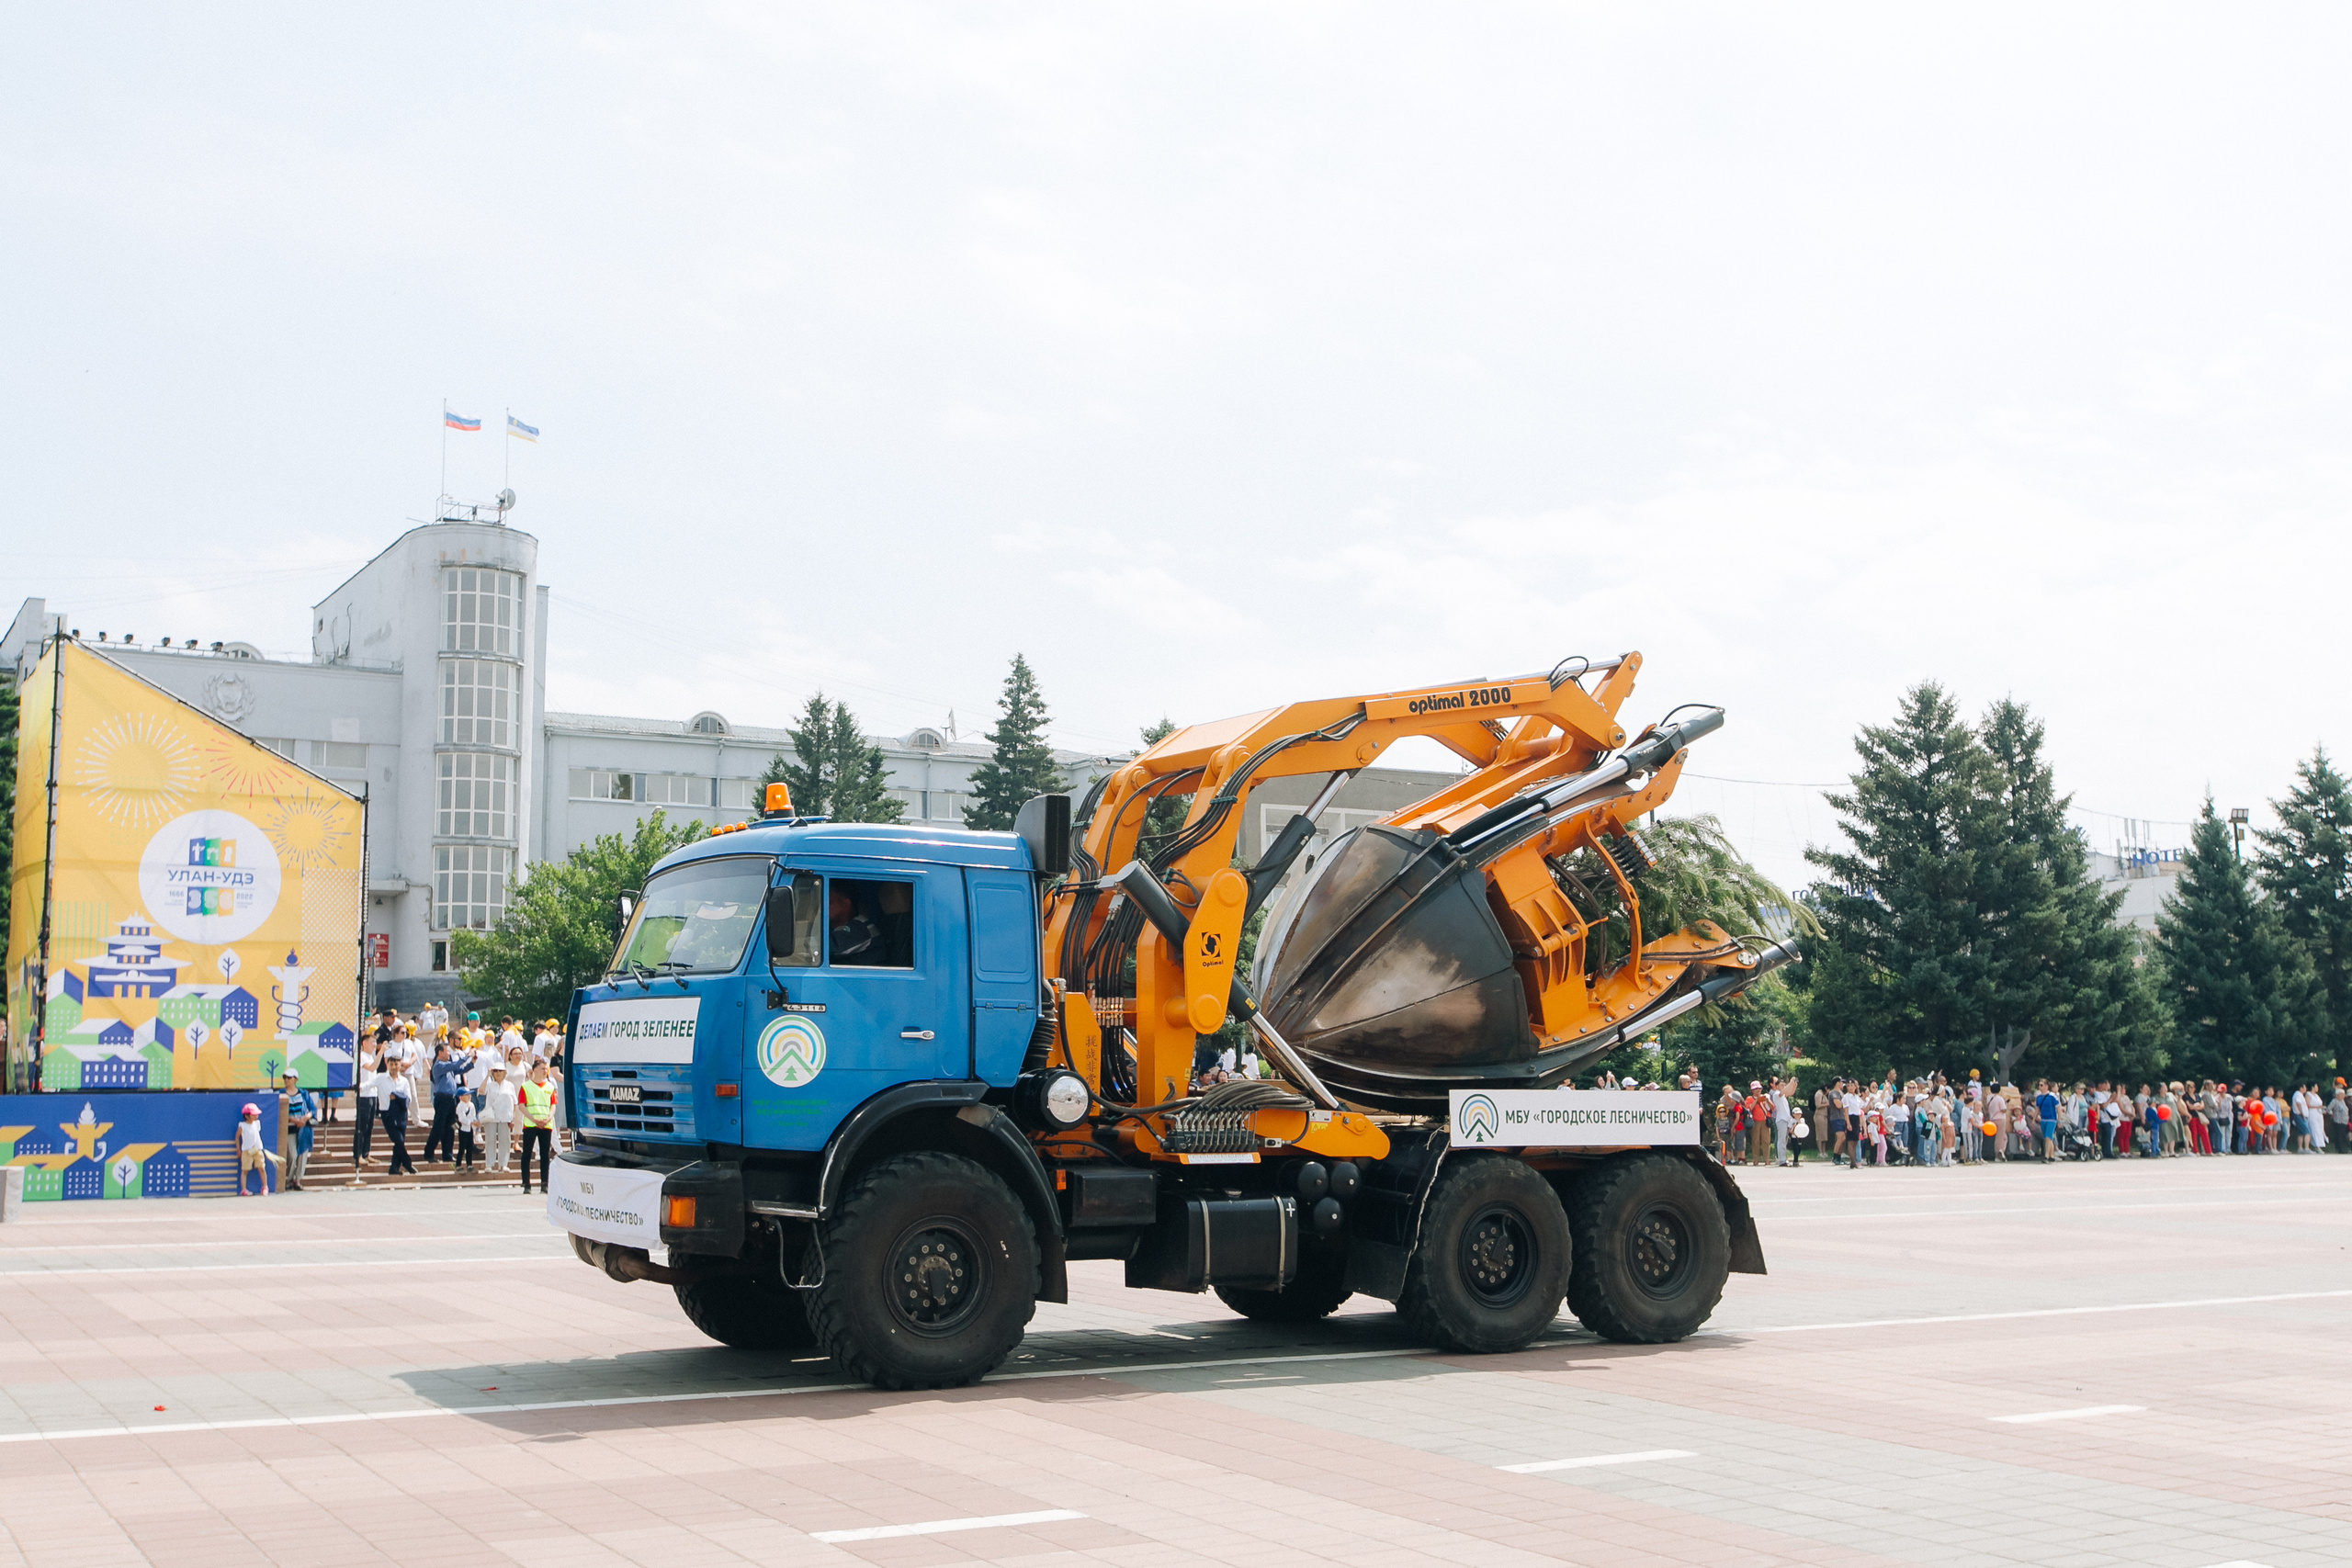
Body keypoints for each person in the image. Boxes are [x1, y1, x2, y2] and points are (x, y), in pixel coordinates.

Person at [517, 1061, 557, 1193]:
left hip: (546, 1124)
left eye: (546, 1069)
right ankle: (526, 1183)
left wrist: (548, 1118)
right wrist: (533, 1118)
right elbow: (522, 1105)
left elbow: (553, 1105)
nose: (544, 1071)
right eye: (541, 1069)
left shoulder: (550, 1087)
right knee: (527, 1154)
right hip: (531, 1123)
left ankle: (544, 1183)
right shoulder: (526, 1086)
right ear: (534, 1070)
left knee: (545, 1155)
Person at [424, 1043, 462, 1164]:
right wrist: (466, 1057)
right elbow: (455, 1065)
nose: (449, 1054)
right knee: (438, 1127)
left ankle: (448, 1154)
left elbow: (460, 1069)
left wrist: (471, 1063)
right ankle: (429, 1153)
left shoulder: (447, 1066)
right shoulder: (439, 1065)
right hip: (442, 1099)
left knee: (450, 1127)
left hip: (451, 1098)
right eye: (447, 1051)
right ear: (440, 1053)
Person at [280, 1069, 317, 1190]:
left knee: (303, 1154)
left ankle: (298, 1179)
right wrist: (293, 1120)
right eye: (285, 1077)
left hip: (303, 1128)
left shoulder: (303, 1093)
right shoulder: (281, 1093)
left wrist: (305, 1118)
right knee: (292, 1154)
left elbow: (312, 1109)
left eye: (289, 1078)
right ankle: (289, 1179)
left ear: (295, 1079)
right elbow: (280, 1111)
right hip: (290, 1128)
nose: (286, 1080)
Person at [380, 1057, 416, 1177]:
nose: (394, 1067)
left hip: (401, 1113)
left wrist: (397, 1097)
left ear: (400, 1065)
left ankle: (394, 1167)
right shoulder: (382, 1078)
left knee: (400, 1142)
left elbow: (408, 1097)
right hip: (388, 1113)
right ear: (387, 1065)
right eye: (391, 1064)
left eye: (396, 1064)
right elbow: (369, 1084)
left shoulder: (404, 1081)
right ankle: (407, 1163)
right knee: (398, 1140)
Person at [829, 886, 881, 964]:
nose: (822, 907)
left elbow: (822, 948)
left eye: (829, 902)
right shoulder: (831, 928)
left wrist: (813, 918)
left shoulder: (861, 929)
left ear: (845, 904)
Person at [481, 1062, 517, 1173]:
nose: (497, 1073)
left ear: (504, 1072)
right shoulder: (490, 1085)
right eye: (495, 1071)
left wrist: (514, 1117)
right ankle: (489, 1164)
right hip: (491, 1116)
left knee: (505, 1141)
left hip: (505, 1116)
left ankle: (503, 1164)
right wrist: (487, 1075)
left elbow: (515, 1102)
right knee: (490, 1140)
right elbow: (481, 1091)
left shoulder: (509, 1085)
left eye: (500, 1071)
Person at [236, 1102, 275, 1196]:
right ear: (247, 1116)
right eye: (253, 1114)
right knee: (245, 1170)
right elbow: (237, 1137)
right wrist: (238, 1149)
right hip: (247, 1151)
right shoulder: (242, 1125)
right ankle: (244, 1190)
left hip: (258, 1150)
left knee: (261, 1168)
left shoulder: (257, 1123)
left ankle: (265, 1186)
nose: (256, 1116)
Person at [454, 1094, 479, 1172]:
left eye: (469, 1094)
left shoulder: (471, 1105)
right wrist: (471, 1122)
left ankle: (469, 1164)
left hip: (470, 1129)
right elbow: (462, 1118)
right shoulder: (460, 1106)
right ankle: (458, 1164)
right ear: (460, 1097)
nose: (468, 1096)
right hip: (462, 1129)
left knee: (469, 1147)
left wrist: (474, 1122)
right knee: (461, 1148)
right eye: (466, 1095)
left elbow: (473, 1115)